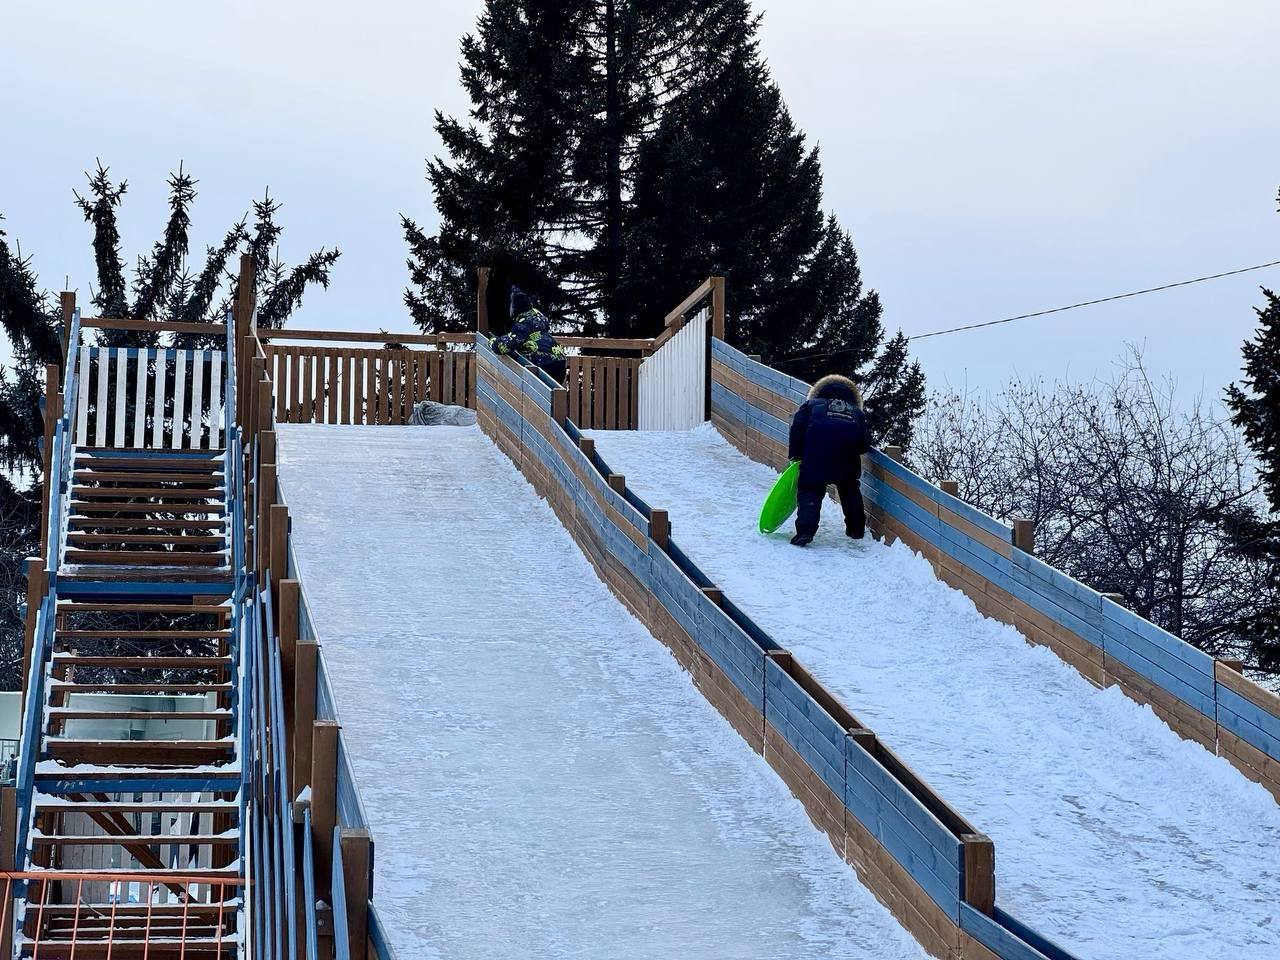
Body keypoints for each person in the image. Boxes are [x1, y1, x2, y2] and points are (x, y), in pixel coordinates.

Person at [787, 374, 872, 547]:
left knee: (810, 489)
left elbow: (797, 428)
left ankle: (805, 531)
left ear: (818, 392)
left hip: (816, 454)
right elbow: (864, 442)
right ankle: (856, 530)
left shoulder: (810, 405)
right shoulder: (857, 413)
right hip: (847, 457)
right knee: (849, 490)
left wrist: (796, 454)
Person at [494, 287, 567, 382]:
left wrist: (494, 342)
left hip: (543, 363)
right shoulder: (539, 320)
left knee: (538, 394)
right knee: (553, 394)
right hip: (559, 361)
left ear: (516, 308)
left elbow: (504, 346)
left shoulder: (524, 324)